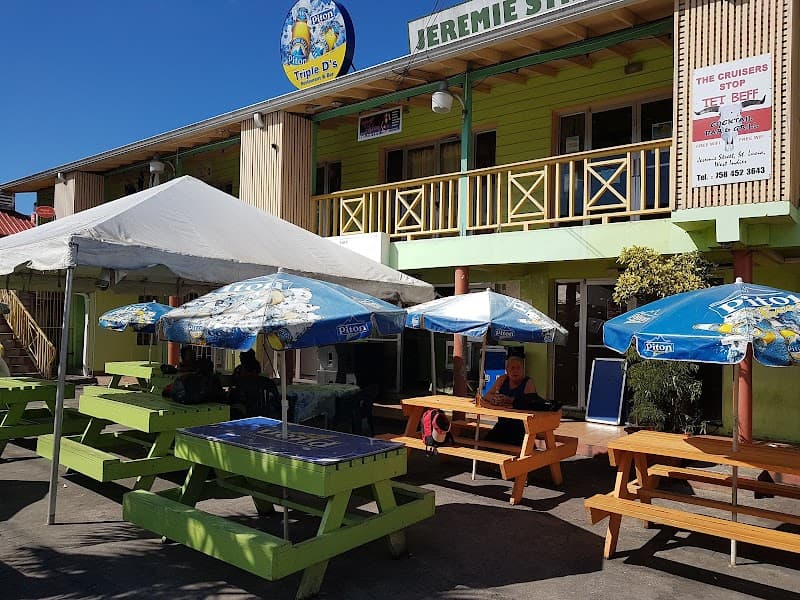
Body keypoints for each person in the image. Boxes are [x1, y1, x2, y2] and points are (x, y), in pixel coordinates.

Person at [481, 355, 536, 445]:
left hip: (521, 425)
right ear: (507, 369)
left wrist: (509, 400)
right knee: (487, 444)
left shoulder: (528, 382)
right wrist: (494, 399)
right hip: (503, 422)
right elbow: (487, 395)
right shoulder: (502, 379)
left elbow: (529, 402)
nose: (515, 371)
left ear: (523, 370)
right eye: (512, 368)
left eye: (518, 368)